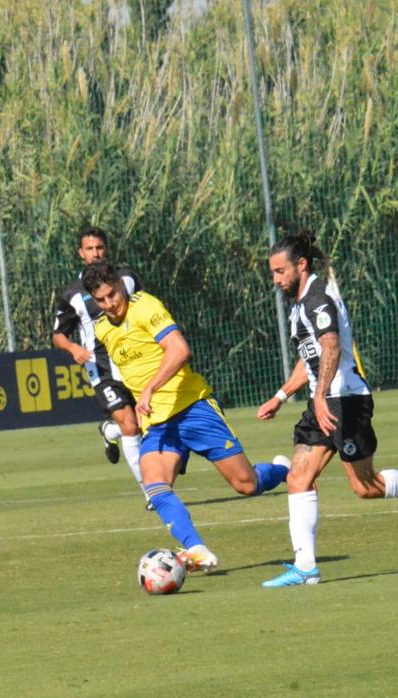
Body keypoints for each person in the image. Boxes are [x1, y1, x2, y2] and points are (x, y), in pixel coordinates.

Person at [257, 234, 398, 588]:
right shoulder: (299, 303)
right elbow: (311, 356)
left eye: (280, 271)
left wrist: (320, 395)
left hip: (346, 401)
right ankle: (306, 567)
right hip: (323, 400)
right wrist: (282, 396)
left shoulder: (318, 300)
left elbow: (330, 347)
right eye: (272, 273)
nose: (276, 279)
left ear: (302, 265)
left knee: (366, 487)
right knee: (298, 478)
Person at [83, 261, 290, 573]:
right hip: (159, 424)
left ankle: (284, 470)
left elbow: (179, 350)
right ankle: (196, 549)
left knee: (246, 483)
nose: (111, 304)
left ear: (120, 285)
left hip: (193, 408)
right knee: (154, 484)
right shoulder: (101, 329)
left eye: (113, 294)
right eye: (101, 300)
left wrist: (151, 388)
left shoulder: (146, 306)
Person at [51, 225, 150, 509]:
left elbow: (144, 309)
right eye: (89, 249)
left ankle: (110, 431)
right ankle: (151, 493)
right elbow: (58, 334)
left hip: (134, 361)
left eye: (100, 248)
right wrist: (73, 348)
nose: (95, 253)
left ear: (106, 249)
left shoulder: (128, 278)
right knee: (131, 424)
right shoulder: (72, 292)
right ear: (80, 253)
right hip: (102, 368)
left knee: (146, 423)